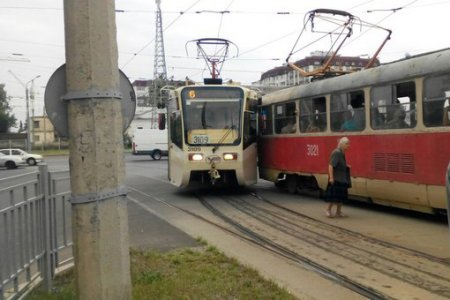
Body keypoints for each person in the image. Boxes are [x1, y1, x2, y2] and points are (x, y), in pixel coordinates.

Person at [325, 137, 351, 218]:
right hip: (336, 179)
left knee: (341, 197)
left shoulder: (342, 152)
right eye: (347, 144)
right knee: (334, 197)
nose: (348, 145)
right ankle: (328, 210)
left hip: (342, 179)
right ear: (342, 144)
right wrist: (331, 178)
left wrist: (345, 166)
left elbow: (339, 163)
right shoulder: (337, 152)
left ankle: (338, 212)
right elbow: (331, 165)